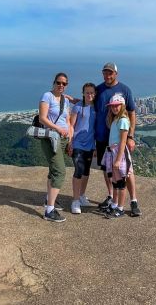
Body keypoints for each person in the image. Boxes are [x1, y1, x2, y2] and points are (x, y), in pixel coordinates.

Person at [94, 62, 142, 217]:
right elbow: (88, 101)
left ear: (116, 74)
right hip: (104, 139)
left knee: (126, 171)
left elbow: (132, 113)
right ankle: (112, 198)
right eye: (105, 73)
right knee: (108, 171)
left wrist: (131, 136)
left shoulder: (125, 90)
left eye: (110, 73)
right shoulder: (99, 89)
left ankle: (133, 200)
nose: (107, 76)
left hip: (120, 140)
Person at [38, 72, 72, 222]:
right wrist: (58, 129)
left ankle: (48, 199)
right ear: (54, 82)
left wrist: (70, 139)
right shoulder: (47, 96)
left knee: (53, 170)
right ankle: (49, 211)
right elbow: (42, 118)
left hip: (63, 139)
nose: (61, 85)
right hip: (51, 137)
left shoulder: (65, 100)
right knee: (60, 171)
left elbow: (68, 121)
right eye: (59, 82)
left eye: (64, 84)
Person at [66, 83, 96, 214]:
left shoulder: (97, 107)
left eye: (92, 92)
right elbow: (71, 126)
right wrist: (70, 142)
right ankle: (75, 200)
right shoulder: (78, 106)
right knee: (78, 170)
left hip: (90, 144)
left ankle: (82, 195)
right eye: (87, 92)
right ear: (83, 93)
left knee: (86, 172)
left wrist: (95, 146)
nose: (89, 95)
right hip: (78, 143)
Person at [102, 94, 132, 218]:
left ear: (122, 105)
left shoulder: (123, 120)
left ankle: (120, 208)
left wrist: (118, 160)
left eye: (117, 105)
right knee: (114, 181)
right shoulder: (116, 119)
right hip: (112, 152)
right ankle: (114, 204)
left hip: (119, 153)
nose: (114, 108)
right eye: (112, 106)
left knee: (121, 183)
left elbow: (123, 142)